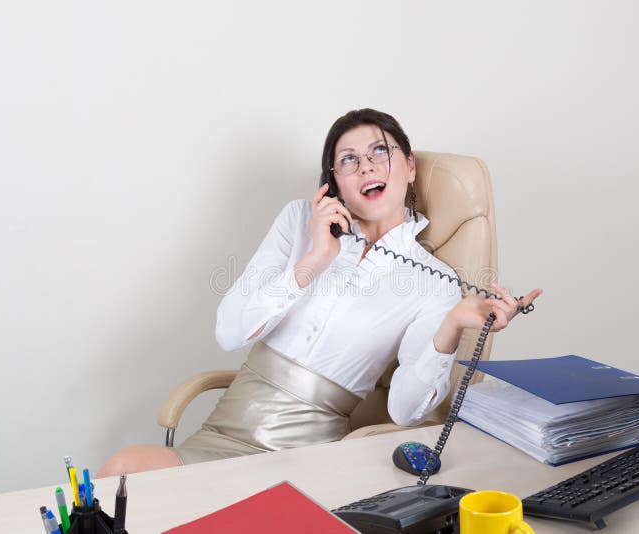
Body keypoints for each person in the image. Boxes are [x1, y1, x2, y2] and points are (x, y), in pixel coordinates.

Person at [97, 108, 541, 477]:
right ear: (333, 181)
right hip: (223, 433)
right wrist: (313, 260)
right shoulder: (299, 222)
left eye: (378, 152)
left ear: (409, 167)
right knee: (123, 469)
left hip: (306, 454)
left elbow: (407, 412)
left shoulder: (435, 284)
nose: (365, 166)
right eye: (348, 160)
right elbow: (229, 333)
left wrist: (452, 326)